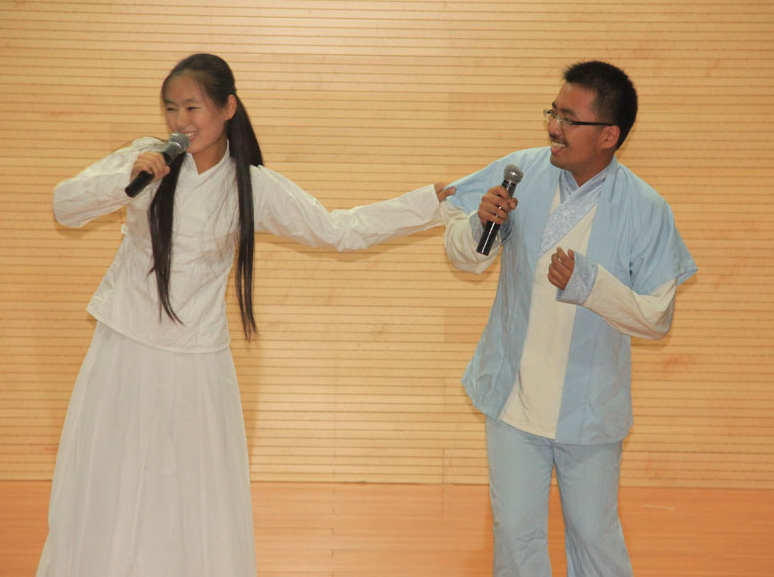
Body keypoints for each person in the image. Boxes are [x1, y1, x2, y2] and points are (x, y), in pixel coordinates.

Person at [38, 52, 455, 577]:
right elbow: (65, 207)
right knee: (111, 478)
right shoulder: (145, 159)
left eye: (192, 107)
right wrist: (126, 174)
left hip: (196, 362)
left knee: (187, 487)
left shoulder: (251, 186)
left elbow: (338, 230)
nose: (180, 121)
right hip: (123, 350)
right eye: (171, 108)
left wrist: (426, 204)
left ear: (227, 107)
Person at [440, 60, 697, 576]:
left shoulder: (646, 207)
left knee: (594, 539)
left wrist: (591, 286)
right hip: (512, 396)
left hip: (590, 406)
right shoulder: (520, 170)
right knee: (516, 537)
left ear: (608, 135)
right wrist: (475, 227)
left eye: (569, 119)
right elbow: (463, 253)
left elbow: (657, 317)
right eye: (553, 113)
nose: (554, 128)